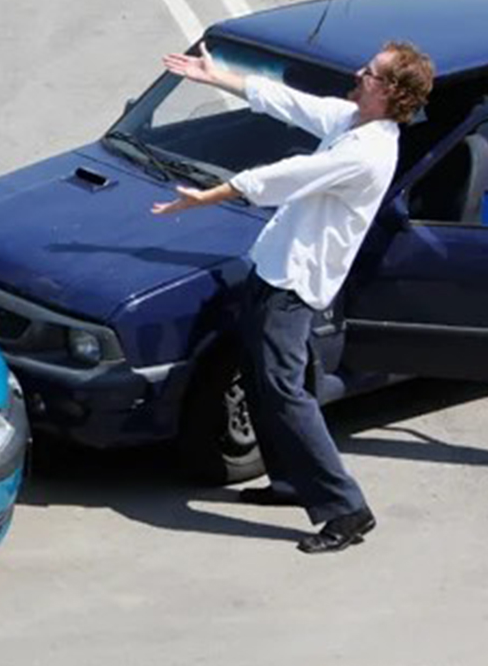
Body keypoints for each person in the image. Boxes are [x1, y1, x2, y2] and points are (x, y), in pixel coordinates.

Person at [152, 41, 434, 553]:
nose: (357, 71)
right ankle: (288, 483)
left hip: (293, 285)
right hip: (275, 268)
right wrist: (215, 77)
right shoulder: (352, 120)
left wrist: (211, 195)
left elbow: (286, 176)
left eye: (368, 72)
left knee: (284, 391)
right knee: (271, 381)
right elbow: (287, 101)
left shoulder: (366, 152)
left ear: (389, 91)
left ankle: (347, 509)